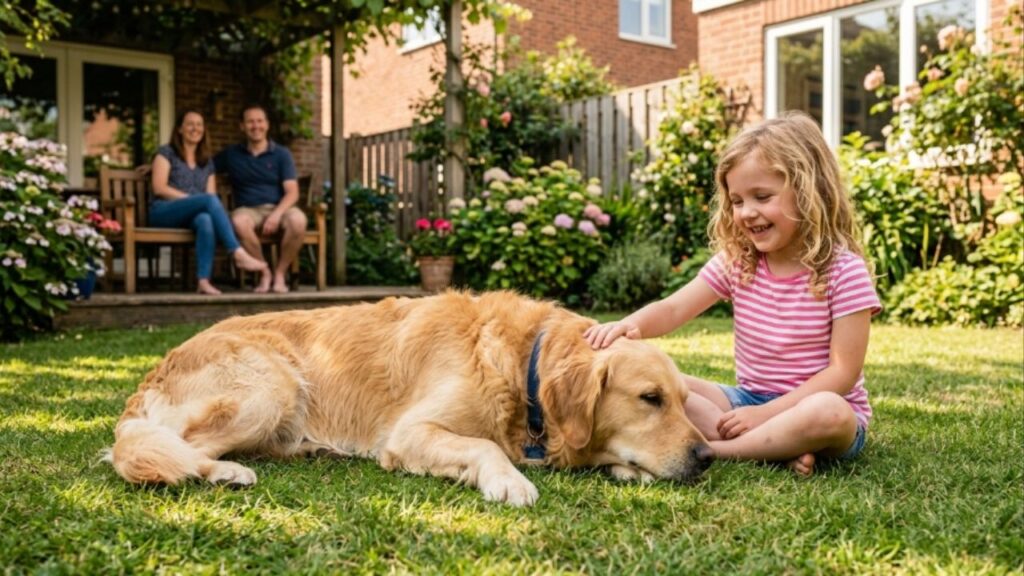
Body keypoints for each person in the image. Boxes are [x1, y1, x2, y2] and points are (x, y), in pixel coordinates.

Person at [584, 111, 881, 476]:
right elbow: (674, 308)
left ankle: (725, 450)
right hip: (744, 401)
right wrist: (628, 326)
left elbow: (842, 374)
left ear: (808, 192)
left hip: (816, 408)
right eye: (737, 201)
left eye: (762, 196)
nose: (747, 212)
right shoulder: (739, 262)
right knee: (668, 388)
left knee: (829, 413)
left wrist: (766, 414)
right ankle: (775, 446)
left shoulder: (844, 271)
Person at [149, 109, 268, 295]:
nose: (195, 128)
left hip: (191, 215)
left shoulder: (206, 161)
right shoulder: (166, 153)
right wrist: (192, 200)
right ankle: (236, 251)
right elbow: (159, 188)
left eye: (199, 125)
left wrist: (198, 202)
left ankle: (203, 281)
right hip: (163, 211)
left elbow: (210, 196)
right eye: (190, 124)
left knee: (205, 220)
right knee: (208, 201)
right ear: (179, 129)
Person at [215, 104, 307, 293]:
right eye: (250, 122)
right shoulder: (231, 154)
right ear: (242, 126)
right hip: (248, 209)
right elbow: (201, 165)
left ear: (267, 124)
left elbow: (292, 192)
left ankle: (280, 273)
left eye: (260, 121)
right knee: (238, 222)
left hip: (279, 208)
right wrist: (162, 165)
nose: (255, 126)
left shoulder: (281, 154)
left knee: (298, 221)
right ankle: (265, 272)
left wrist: (276, 214)